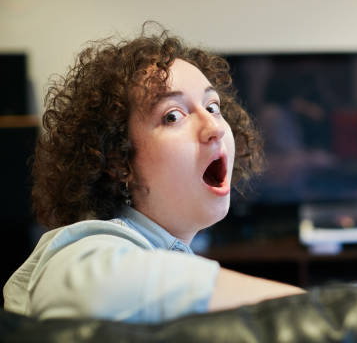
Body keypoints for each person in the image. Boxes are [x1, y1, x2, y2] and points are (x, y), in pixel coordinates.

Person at [2, 25, 303, 323]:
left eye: (213, 107)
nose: (214, 127)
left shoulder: (177, 253)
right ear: (118, 160)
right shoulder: (82, 252)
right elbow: (91, 290)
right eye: (173, 116)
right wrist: (330, 309)